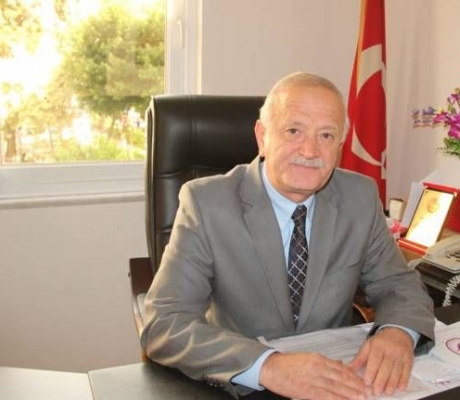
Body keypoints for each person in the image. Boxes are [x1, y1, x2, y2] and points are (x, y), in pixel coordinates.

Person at [140, 72, 436, 400]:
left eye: (326, 135)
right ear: (262, 137)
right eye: (294, 131)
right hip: (244, 383)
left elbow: (399, 284)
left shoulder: (360, 197)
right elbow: (165, 323)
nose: (310, 151)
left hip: (338, 378)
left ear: (340, 144)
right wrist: (269, 366)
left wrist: (397, 332)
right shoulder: (207, 204)